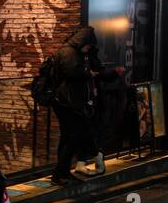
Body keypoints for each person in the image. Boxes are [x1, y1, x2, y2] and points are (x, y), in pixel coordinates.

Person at [49, 26, 124, 185]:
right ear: (83, 42)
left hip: (70, 102)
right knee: (72, 138)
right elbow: (71, 72)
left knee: (70, 138)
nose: (89, 49)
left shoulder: (73, 52)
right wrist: (88, 73)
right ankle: (59, 174)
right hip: (68, 102)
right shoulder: (69, 52)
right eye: (88, 45)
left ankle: (63, 172)